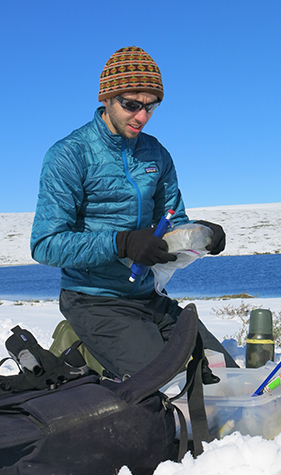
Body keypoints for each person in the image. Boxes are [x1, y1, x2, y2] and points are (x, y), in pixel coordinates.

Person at [31, 46, 229, 380]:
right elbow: (46, 244)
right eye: (131, 105)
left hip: (149, 297)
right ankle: (80, 347)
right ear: (106, 98)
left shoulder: (156, 153)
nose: (142, 117)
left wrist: (202, 234)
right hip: (94, 301)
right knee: (165, 388)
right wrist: (120, 243)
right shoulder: (69, 155)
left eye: (151, 106)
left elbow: (174, 219)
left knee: (222, 375)